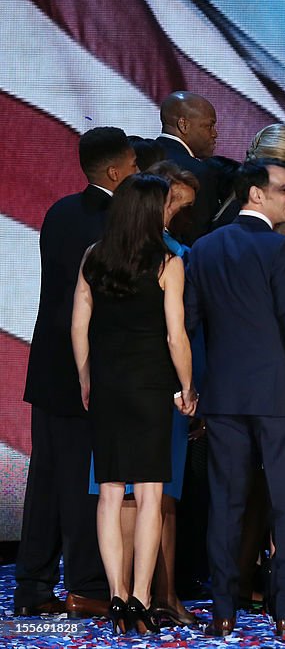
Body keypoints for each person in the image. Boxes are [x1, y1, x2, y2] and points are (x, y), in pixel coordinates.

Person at [185, 158, 285, 639]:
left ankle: (222, 611)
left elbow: (189, 327)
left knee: (225, 505)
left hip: (224, 396)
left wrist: (189, 386)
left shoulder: (202, 249)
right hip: (278, 397)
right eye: (284, 190)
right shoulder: (278, 250)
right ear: (255, 195)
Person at [17, 127, 137, 620]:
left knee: (44, 482)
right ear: (114, 172)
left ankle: (33, 585)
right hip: (85, 372)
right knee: (84, 484)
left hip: (47, 368)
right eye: (133, 165)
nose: (137, 173)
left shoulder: (59, 212)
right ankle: (85, 586)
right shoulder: (115, 222)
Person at [70, 173, 197, 635]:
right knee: (148, 496)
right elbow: (175, 335)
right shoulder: (168, 263)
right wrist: (187, 387)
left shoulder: (94, 257)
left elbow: (79, 326)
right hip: (150, 387)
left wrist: (86, 378)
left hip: (107, 386)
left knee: (108, 492)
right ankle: (142, 597)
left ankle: (118, 596)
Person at [156, 91, 223, 243]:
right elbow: (200, 237)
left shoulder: (142, 156)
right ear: (183, 125)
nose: (215, 133)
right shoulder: (197, 172)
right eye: (209, 125)